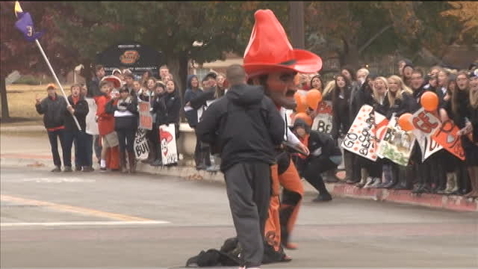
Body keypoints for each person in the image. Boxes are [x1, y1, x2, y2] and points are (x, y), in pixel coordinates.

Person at [243, 9, 320, 256]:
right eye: (285, 77)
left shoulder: (277, 104)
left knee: (296, 190)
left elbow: (282, 127)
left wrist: (297, 143)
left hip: (280, 153)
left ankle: (283, 234)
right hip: (264, 156)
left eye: (294, 77)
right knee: (270, 200)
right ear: (260, 82)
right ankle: (270, 244)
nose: (294, 85)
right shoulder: (253, 105)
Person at [196, 64, 285, 269]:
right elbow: (278, 131)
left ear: (227, 81)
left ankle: (252, 260)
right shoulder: (265, 102)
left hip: (235, 160)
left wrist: (219, 145)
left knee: (244, 208)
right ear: (246, 77)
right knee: (260, 208)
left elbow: (203, 131)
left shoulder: (220, 105)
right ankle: (255, 254)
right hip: (262, 160)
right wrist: (268, 145)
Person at [291, 118, 342, 202]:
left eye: (301, 128)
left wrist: (324, 156)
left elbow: (329, 142)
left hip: (333, 156)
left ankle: (324, 193)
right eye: (297, 128)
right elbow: (303, 157)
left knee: (312, 170)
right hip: (320, 158)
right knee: (306, 173)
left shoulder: (314, 135)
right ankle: (323, 193)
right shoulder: (300, 142)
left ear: (305, 128)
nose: (299, 130)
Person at [35, 83, 68, 172]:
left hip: (61, 126)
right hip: (51, 127)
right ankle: (57, 165)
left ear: (55, 90)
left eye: (52, 89)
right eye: (49, 90)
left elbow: (66, 110)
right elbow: (41, 111)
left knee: (65, 146)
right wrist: (38, 104)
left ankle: (67, 165)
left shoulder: (62, 99)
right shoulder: (45, 101)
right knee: (54, 147)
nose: (50, 91)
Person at [106, 86, 139, 173]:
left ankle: (132, 165)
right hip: (120, 127)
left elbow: (135, 110)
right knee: (122, 146)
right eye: (122, 92)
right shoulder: (118, 103)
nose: (124, 94)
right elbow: (108, 110)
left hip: (130, 126)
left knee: (130, 146)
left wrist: (127, 106)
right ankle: (123, 165)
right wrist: (112, 100)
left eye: (125, 92)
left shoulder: (132, 101)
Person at [153, 80, 181, 166]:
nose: (169, 86)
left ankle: (173, 160)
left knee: (172, 141)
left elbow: (175, 111)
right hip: (162, 123)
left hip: (172, 122)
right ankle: (162, 159)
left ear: (175, 86)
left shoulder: (177, 97)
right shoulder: (163, 97)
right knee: (163, 143)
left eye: (171, 84)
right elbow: (156, 108)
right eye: (168, 84)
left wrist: (169, 120)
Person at [63, 84, 89, 172]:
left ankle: (80, 164)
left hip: (79, 127)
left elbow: (85, 112)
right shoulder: (67, 101)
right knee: (67, 147)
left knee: (81, 146)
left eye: (77, 89)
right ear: (71, 90)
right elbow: (62, 112)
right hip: (69, 127)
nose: (75, 91)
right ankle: (67, 165)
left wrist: (75, 111)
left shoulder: (83, 101)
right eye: (74, 89)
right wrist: (68, 110)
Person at [96, 80, 120, 172]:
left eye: (107, 87)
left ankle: (103, 164)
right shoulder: (102, 99)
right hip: (108, 125)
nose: (106, 89)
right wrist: (112, 113)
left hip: (106, 124)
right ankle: (114, 165)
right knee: (114, 145)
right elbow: (102, 112)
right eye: (104, 87)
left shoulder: (109, 97)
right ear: (101, 89)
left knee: (105, 145)